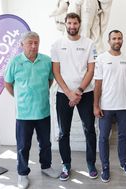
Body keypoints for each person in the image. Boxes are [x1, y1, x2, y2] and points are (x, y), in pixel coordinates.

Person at [4, 31, 59, 189]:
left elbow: (50, 80)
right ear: (22, 45)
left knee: (45, 143)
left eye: (36, 42)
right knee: (23, 145)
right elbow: (8, 83)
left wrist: (39, 94)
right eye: (30, 43)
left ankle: (46, 167)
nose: (34, 46)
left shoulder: (46, 61)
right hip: (23, 113)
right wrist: (20, 96)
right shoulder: (15, 62)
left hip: (43, 111)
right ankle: (22, 174)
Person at [51, 12, 98, 181]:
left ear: (79, 24)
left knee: (90, 130)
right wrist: (69, 92)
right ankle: (66, 165)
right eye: (69, 23)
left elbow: (91, 70)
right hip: (64, 94)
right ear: (65, 24)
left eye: (75, 23)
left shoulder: (89, 43)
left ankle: (91, 164)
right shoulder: (57, 44)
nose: (72, 26)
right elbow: (56, 71)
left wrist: (78, 91)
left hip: (85, 93)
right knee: (64, 132)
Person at [93, 30, 126, 183]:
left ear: (122, 40)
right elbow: (98, 83)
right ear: (109, 40)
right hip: (106, 106)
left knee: (123, 136)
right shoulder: (102, 59)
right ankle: (105, 167)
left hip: (123, 106)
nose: (117, 41)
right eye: (114, 38)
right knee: (103, 138)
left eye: (119, 38)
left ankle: (124, 163)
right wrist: (95, 105)